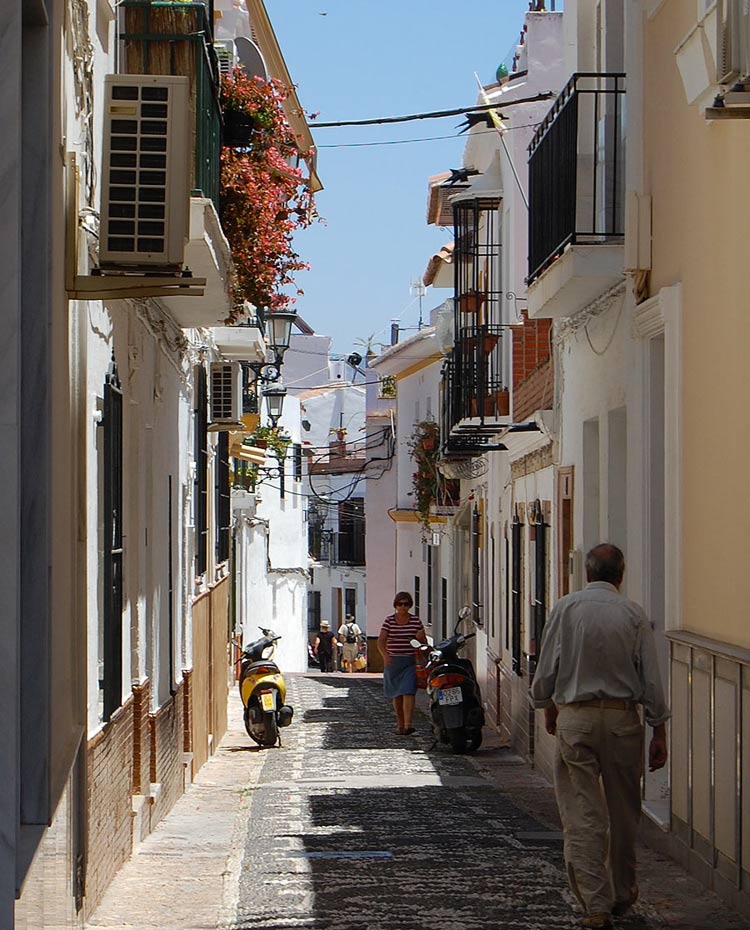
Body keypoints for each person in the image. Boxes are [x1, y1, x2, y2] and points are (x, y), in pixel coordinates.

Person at [531, 544, 669, 930]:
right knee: (624, 812)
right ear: (620, 575)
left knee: (582, 814)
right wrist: (659, 729)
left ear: (587, 574)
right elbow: (651, 677)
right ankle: (623, 893)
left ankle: (596, 903)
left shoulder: (566, 609)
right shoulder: (633, 614)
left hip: (577, 719)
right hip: (624, 721)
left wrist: (548, 707)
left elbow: (547, 669)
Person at [377, 592, 427, 735]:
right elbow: (381, 640)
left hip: (410, 661)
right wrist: (385, 655)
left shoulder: (416, 621)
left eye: (406, 604)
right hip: (393, 661)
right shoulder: (389, 621)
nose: (403, 607)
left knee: (408, 691)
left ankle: (408, 725)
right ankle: (400, 723)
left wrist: (421, 638)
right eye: (400, 604)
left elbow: (422, 642)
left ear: (410, 605)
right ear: (396, 605)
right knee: (397, 694)